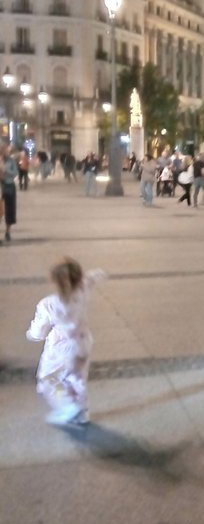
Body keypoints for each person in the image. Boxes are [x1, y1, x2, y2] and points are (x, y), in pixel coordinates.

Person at [26, 258, 106, 426]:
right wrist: (98, 273)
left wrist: (32, 335)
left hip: (61, 347)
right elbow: (94, 276)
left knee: (49, 378)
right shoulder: (83, 289)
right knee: (77, 378)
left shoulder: (49, 304)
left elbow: (39, 331)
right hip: (83, 342)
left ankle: (68, 407)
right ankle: (82, 411)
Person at [1, 145, 19, 242]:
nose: (5, 153)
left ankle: (8, 232)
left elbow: (15, 173)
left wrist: (5, 170)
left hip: (9, 186)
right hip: (0, 186)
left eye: (6, 151)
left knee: (10, 210)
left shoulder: (11, 161)